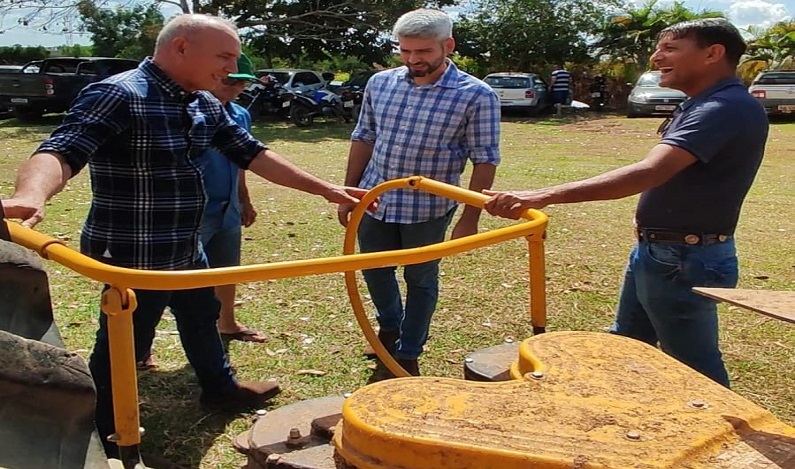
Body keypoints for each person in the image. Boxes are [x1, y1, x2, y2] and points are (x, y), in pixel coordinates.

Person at [1, 14, 367, 457]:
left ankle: (219, 388)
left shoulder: (204, 102)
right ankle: (101, 431)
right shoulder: (120, 94)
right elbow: (61, 150)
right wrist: (30, 194)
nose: (232, 68)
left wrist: (326, 189)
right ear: (181, 48)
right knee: (126, 338)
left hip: (184, 242)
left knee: (201, 312)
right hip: (135, 249)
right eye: (225, 56)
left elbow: (252, 153)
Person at [484, 18, 768, 388]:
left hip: (683, 259)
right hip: (662, 252)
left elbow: (648, 173)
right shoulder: (704, 104)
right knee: (627, 345)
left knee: (695, 370)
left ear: (713, 53)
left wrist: (542, 195)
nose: (656, 57)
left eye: (670, 49)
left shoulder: (724, 107)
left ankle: (730, 441)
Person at [337, 8, 500, 377]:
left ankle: (409, 350)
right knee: (374, 271)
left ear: (448, 46)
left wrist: (470, 217)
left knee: (421, 279)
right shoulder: (381, 84)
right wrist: (351, 192)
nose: (414, 60)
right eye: (406, 51)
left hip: (428, 207)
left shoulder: (476, 95)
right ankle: (389, 326)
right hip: (375, 198)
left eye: (424, 52)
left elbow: (485, 159)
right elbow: (364, 136)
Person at [135, 53, 266, 373]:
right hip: (191, 212)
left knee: (226, 269)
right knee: (161, 284)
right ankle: (139, 348)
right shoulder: (187, 113)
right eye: (230, 80)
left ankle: (228, 324)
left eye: (242, 83)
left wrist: (244, 198)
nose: (235, 88)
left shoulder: (240, 115)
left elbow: (243, 161)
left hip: (227, 208)